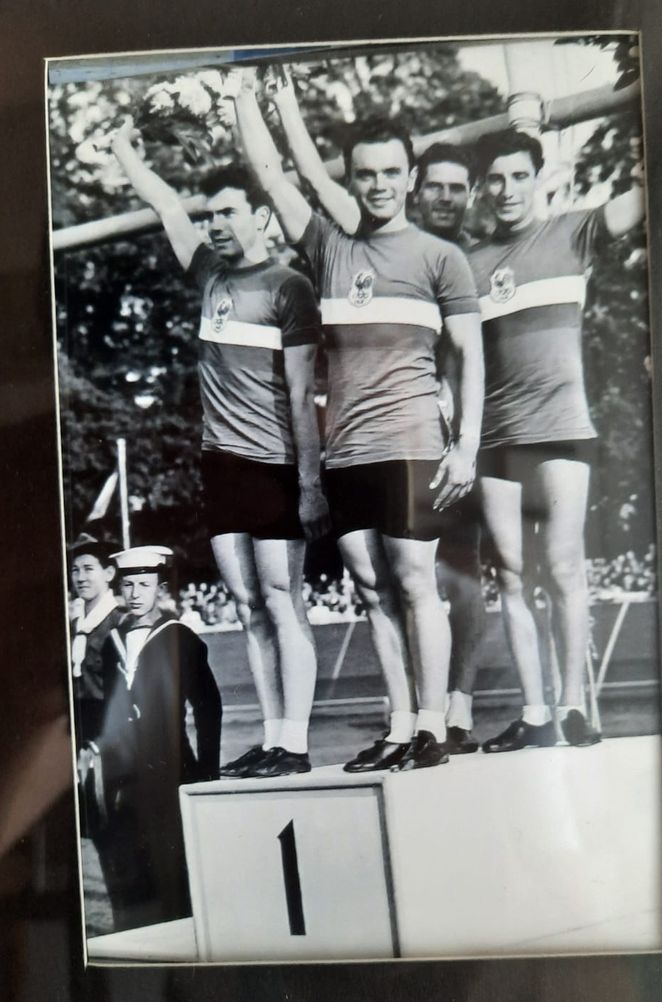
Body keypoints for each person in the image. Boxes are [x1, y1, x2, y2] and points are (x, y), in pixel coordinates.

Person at [232, 66, 483, 771]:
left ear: (410, 177)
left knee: (413, 581)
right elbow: (273, 175)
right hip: (345, 451)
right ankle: (401, 724)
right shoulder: (327, 248)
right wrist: (249, 97)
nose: (377, 183)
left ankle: (432, 726)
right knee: (370, 590)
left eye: (390, 171)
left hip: (411, 443)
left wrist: (466, 445)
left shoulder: (442, 258)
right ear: (352, 178)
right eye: (364, 173)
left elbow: (471, 356)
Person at [111, 120, 329, 778]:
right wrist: (124, 150)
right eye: (213, 216)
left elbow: (300, 397)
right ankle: (271, 737)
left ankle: (294, 740)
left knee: (280, 596)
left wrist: (311, 483)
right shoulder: (209, 274)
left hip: (275, 463)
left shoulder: (290, 287)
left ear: (261, 213)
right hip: (221, 464)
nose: (217, 226)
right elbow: (167, 205)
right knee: (245, 602)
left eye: (230, 212)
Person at [467, 128, 645, 751]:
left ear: (539, 178)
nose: (507, 190)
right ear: (481, 188)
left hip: (564, 427)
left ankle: (572, 707)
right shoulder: (469, 263)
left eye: (519, 176)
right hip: (495, 439)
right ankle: (536, 712)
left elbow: (646, 192)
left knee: (566, 567)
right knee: (512, 576)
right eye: (495, 179)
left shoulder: (574, 230)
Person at [78, 545, 222, 932]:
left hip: (172, 770)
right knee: (134, 880)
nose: (136, 593)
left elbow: (208, 707)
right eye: (128, 585)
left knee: (176, 870)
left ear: (160, 587)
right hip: (123, 779)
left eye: (145, 584)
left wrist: (208, 770)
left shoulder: (180, 638)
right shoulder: (111, 643)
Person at [68, 533, 123, 748]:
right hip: (78, 730)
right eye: (75, 570)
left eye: (89, 569)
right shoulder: (74, 627)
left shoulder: (120, 622)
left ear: (109, 573)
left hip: (111, 729)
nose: (80, 578)